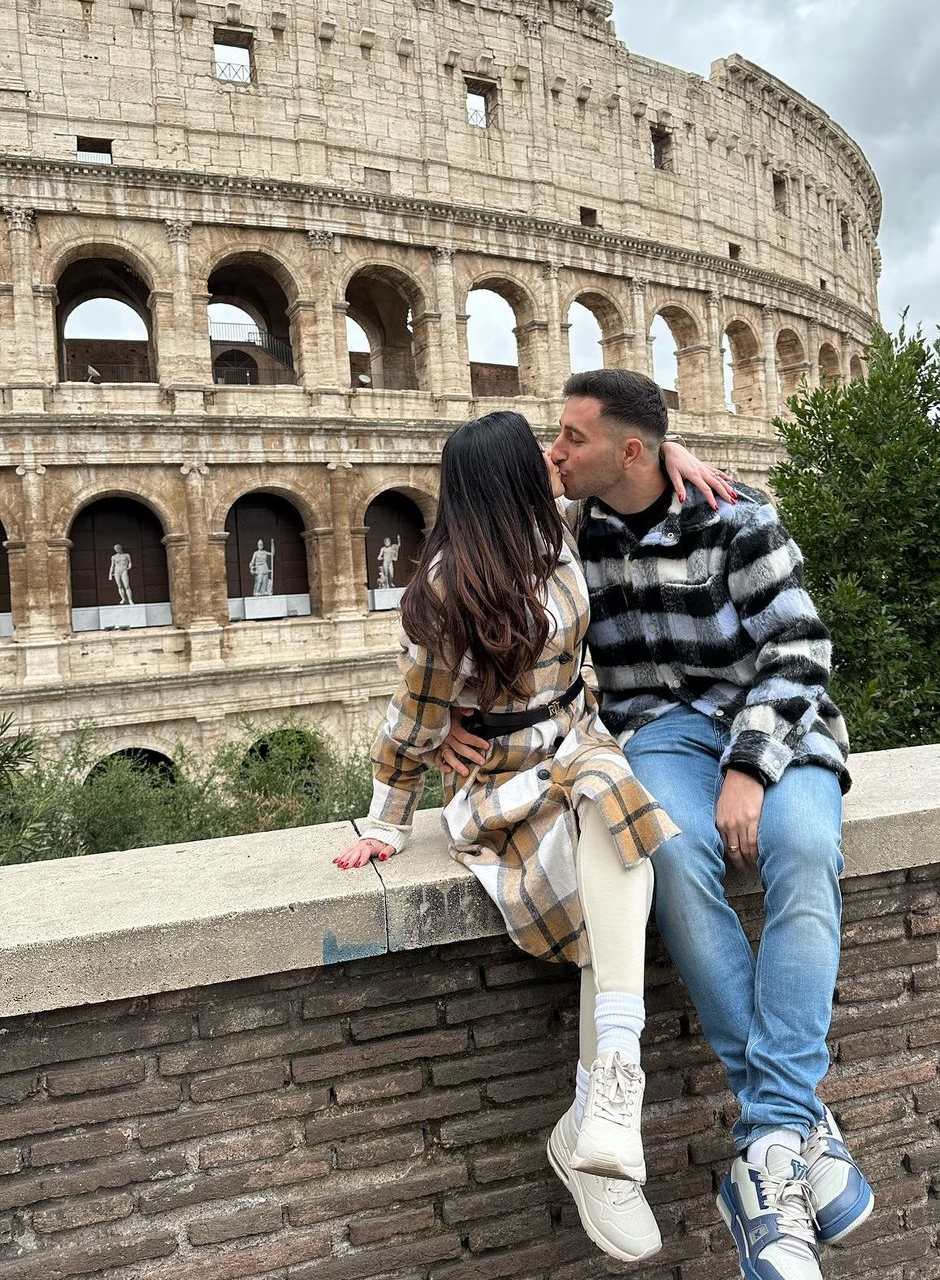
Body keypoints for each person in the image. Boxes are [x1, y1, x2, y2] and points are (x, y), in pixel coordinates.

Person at [439, 370, 874, 1280]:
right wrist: (446, 717)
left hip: (774, 719)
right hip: (662, 733)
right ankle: (796, 1133)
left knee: (802, 851)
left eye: (571, 437)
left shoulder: (737, 518)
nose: (553, 452)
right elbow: (472, 587)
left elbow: (801, 648)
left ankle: (767, 1136)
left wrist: (749, 766)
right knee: (667, 857)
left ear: (628, 451)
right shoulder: (571, 528)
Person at [335, 410, 727, 1264]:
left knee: (608, 794)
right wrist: (387, 818)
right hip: (502, 784)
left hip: (580, 743)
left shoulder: (561, 534)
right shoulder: (445, 588)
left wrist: (665, 449)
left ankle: (604, 1103)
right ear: (512, 476)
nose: (557, 460)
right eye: (539, 454)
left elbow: (626, 471)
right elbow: (413, 714)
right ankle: (600, 1115)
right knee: (609, 845)